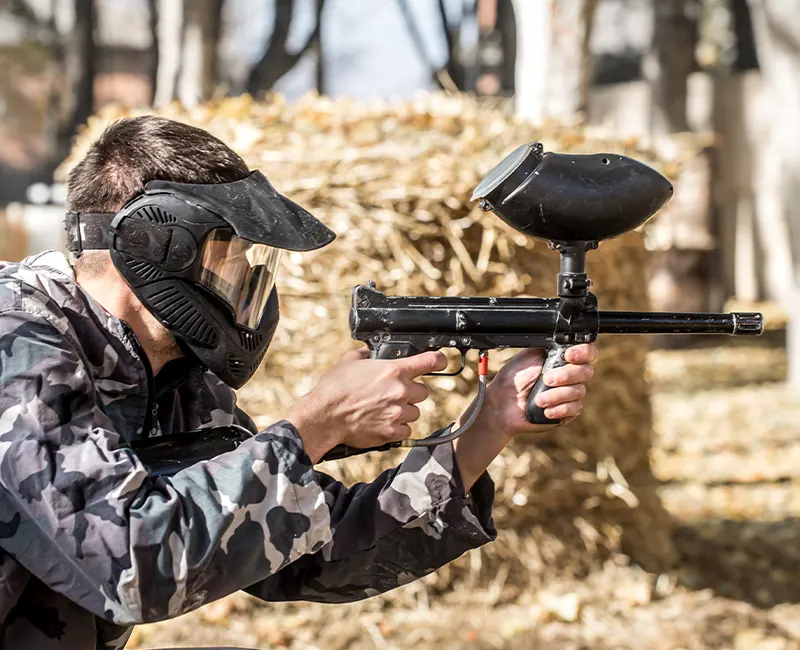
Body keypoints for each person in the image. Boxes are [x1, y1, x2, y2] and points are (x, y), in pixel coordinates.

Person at [0, 116, 597, 649]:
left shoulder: (173, 378)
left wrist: (488, 424)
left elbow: (316, 552)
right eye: (228, 256)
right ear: (156, 243)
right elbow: (132, 563)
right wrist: (316, 424)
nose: (244, 283)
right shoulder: (16, 339)